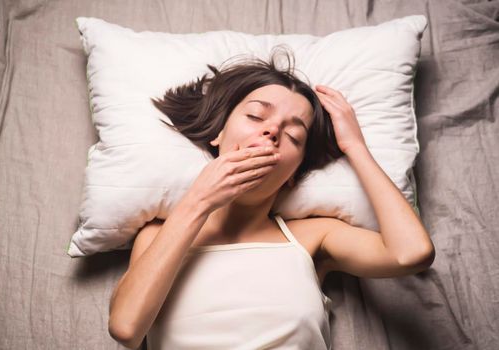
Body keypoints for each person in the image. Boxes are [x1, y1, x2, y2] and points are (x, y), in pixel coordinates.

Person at [107, 48, 435, 350]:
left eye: (293, 135)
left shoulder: (312, 238)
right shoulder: (158, 235)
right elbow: (126, 328)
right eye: (255, 116)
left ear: (293, 172)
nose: (272, 131)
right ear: (219, 134)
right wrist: (199, 200)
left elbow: (412, 254)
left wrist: (356, 148)